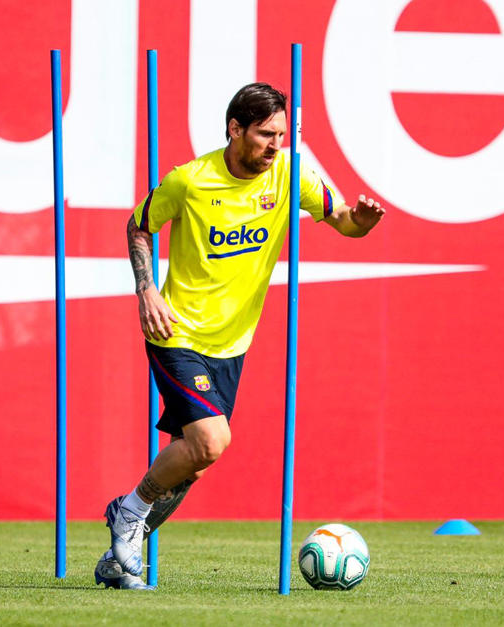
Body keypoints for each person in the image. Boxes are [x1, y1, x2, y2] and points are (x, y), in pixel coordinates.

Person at [95, 82, 385, 590]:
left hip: (232, 345)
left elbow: (340, 220)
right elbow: (139, 226)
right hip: (176, 329)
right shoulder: (189, 180)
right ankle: (129, 509)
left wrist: (359, 223)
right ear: (235, 129)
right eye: (264, 135)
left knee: (192, 464)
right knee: (211, 441)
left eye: (281, 134)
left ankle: (121, 557)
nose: (276, 146)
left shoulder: (292, 175)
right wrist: (146, 290)